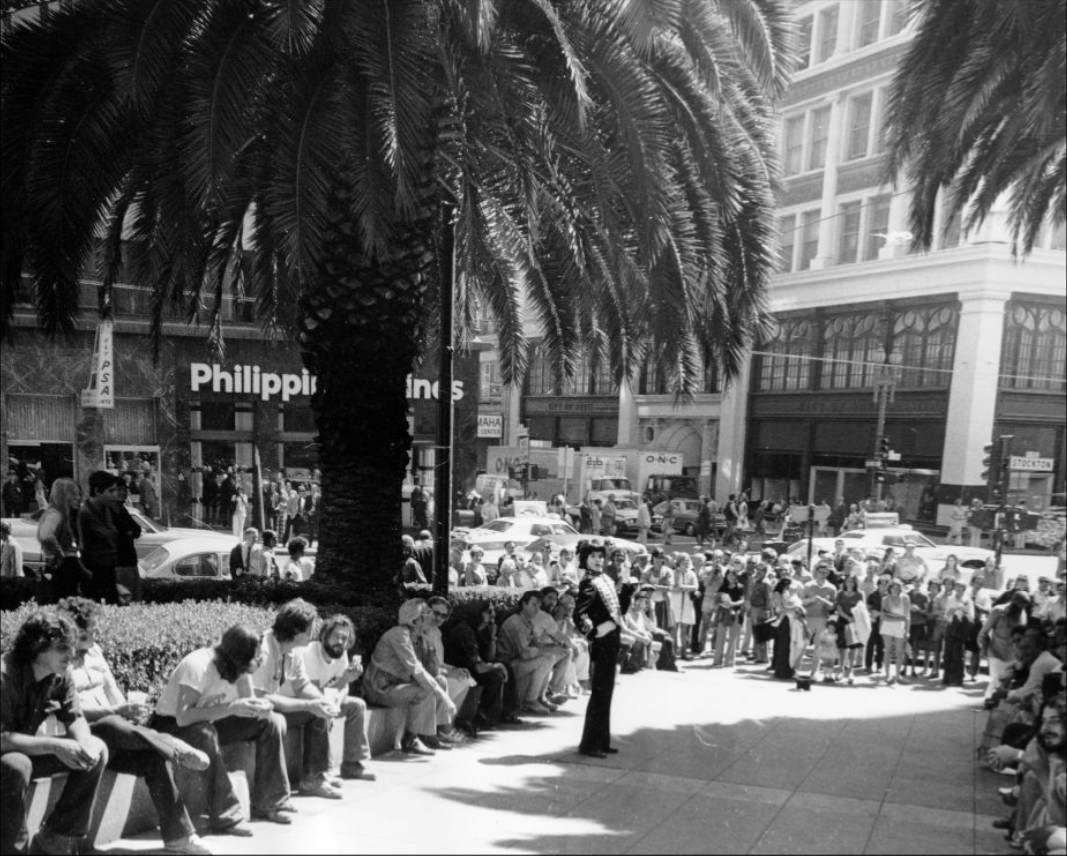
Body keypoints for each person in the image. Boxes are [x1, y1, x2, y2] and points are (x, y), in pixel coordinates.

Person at [57, 597, 212, 855]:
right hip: (83, 736)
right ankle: (172, 746)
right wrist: (116, 712)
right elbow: (71, 712)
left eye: (96, 628)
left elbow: (112, 690)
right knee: (110, 722)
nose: (95, 634)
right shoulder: (60, 660)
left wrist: (129, 713)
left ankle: (180, 837)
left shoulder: (95, 653)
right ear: (73, 629)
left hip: (116, 735)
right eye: (88, 630)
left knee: (154, 757)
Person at [150, 624, 290, 833]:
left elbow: (247, 702)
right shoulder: (198, 665)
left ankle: (270, 802)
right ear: (239, 656)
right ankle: (227, 816)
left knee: (272, 721)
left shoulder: (240, 667)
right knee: (204, 732)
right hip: (171, 725)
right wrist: (232, 708)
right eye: (257, 655)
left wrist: (260, 708)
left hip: (212, 721)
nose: (261, 659)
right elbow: (184, 717)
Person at [0, 611, 109, 856]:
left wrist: (84, 744)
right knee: (17, 765)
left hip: (27, 751)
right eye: (62, 648)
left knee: (97, 750)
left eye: (71, 647)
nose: (71, 655)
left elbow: (75, 716)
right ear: (37, 648)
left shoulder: (60, 674)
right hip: (8, 757)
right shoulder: (4, 674)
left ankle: (56, 839)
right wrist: (54, 745)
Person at [362, 599, 455, 755]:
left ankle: (429, 735)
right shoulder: (399, 635)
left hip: (398, 686)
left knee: (440, 681)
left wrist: (429, 644)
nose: (432, 617)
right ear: (415, 618)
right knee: (426, 690)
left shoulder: (418, 637)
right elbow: (416, 670)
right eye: (428, 613)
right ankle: (410, 740)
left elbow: (432, 672)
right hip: (380, 690)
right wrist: (445, 699)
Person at [298, 614, 376, 781]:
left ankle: (352, 764)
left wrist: (338, 700)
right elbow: (314, 693)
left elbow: (344, 688)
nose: (340, 642)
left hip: (329, 699)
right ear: (325, 635)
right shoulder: (311, 653)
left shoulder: (341, 653)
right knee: (322, 712)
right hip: (306, 701)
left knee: (357, 706)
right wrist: (343, 681)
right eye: (336, 636)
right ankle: (321, 772)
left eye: (344, 638)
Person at [574, 541, 622, 758]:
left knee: (607, 692)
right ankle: (589, 745)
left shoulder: (605, 579)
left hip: (613, 639)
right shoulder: (588, 583)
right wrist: (592, 632)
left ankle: (602, 741)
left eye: (601, 556)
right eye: (593, 556)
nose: (598, 560)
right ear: (585, 559)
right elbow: (579, 614)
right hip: (602, 641)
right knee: (600, 693)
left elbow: (615, 610)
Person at [443, 599, 512, 729]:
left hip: (471, 668)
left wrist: (492, 637)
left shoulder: (483, 629)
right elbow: (479, 667)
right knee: (497, 674)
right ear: (478, 613)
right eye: (488, 611)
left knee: (504, 668)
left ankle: (494, 714)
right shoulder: (465, 631)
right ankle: (483, 716)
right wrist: (497, 666)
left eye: (493, 611)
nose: (493, 615)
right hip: (458, 669)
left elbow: (490, 658)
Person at [496, 591, 561, 715]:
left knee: (550, 657)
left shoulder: (528, 621)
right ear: (524, 604)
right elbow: (525, 653)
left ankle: (540, 697)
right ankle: (530, 701)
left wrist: (551, 646)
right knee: (546, 659)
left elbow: (535, 643)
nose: (537, 609)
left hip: (517, 662)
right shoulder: (516, 623)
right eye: (534, 605)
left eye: (539, 605)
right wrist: (547, 650)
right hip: (507, 665)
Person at [78, 471, 125, 605]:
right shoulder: (84, 513)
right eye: (110, 491)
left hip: (109, 570)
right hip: (93, 572)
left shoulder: (107, 510)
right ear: (98, 491)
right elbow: (79, 546)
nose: (115, 495)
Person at [37, 478, 87, 601]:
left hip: (69, 568)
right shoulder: (55, 514)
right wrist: (60, 554)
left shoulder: (69, 515)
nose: (78, 498)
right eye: (74, 494)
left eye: (79, 494)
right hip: (64, 570)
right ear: (64, 495)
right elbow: (46, 535)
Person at [879, 579, 910, 685]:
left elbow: (907, 617)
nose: (895, 588)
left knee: (900, 652)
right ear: (890, 587)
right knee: (887, 650)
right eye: (893, 586)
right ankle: (887, 675)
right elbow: (883, 616)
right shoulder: (885, 599)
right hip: (887, 627)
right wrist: (900, 618)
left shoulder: (905, 598)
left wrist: (907, 630)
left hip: (900, 628)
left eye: (898, 586)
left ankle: (897, 675)